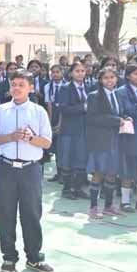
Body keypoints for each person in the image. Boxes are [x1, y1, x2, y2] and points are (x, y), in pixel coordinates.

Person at [0, 71, 54, 272]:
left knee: (32, 213)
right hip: (6, 168)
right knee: (5, 213)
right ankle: (9, 257)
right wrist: (10, 137)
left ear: (31, 88)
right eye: (14, 84)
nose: (16, 88)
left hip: (30, 169)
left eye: (21, 84)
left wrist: (31, 138)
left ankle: (34, 257)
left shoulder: (39, 112)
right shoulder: (0, 111)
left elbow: (47, 142)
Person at [85, 68, 125, 220]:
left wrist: (125, 118)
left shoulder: (117, 94)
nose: (109, 80)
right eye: (106, 78)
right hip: (100, 140)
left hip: (116, 139)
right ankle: (93, 207)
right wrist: (116, 120)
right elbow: (92, 118)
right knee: (99, 172)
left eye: (112, 77)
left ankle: (108, 206)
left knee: (112, 173)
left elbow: (119, 113)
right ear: (100, 80)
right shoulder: (94, 96)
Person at [56, 60, 90, 200]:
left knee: (81, 158)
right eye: (77, 71)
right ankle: (67, 189)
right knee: (68, 158)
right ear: (71, 73)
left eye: (82, 71)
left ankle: (78, 187)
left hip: (84, 128)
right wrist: (83, 108)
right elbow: (63, 108)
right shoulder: (65, 88)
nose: (80, 74)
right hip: (69, 129)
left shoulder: (88, 87)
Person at [117, 64, 137, 211]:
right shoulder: (121, 92)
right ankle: (125, 202)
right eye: (136, 74)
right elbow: (123, 110)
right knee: (128, 169)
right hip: (128, 134)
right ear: (128, 76)